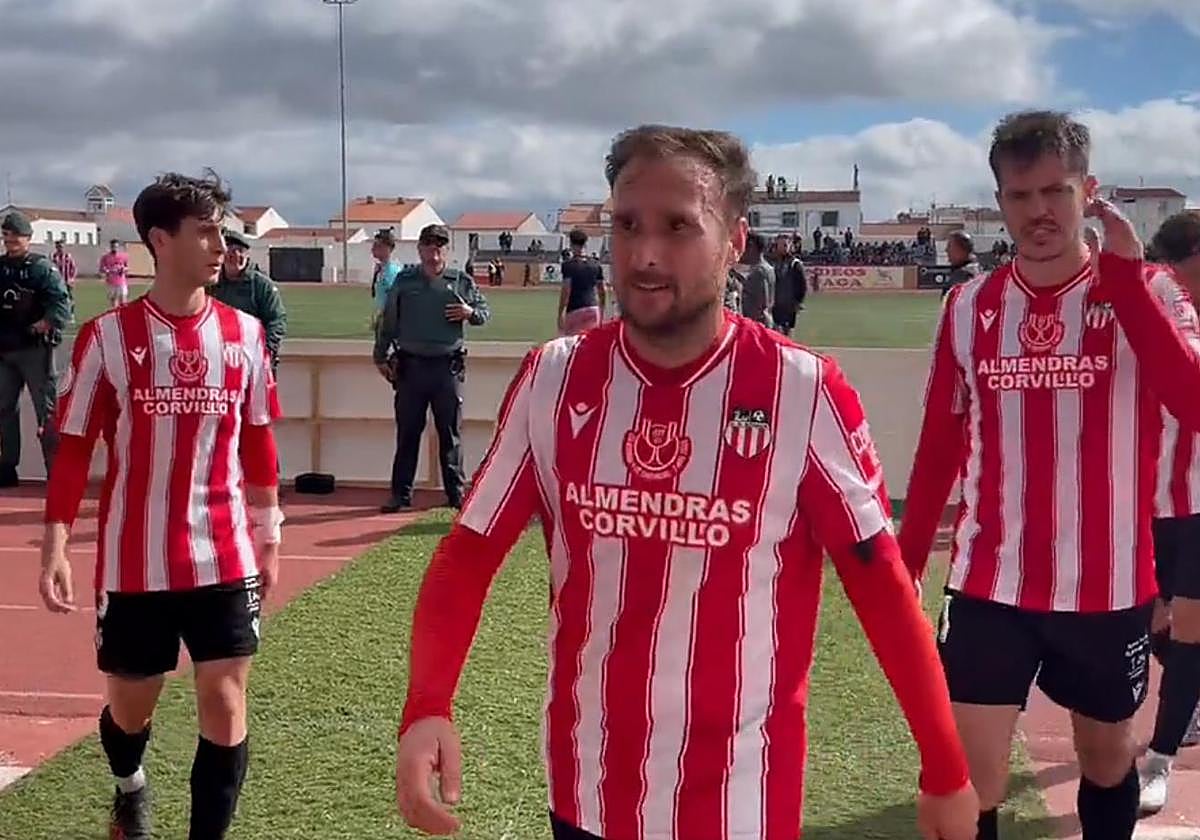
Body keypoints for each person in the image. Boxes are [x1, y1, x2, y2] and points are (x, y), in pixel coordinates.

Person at [393, 124, 979, 840]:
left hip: (741, 803)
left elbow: (880, 585)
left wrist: (945, 766)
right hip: (587, 791)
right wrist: (427, 704)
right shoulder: (555, 376)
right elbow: (469, 552)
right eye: (627, 224)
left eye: (679, 227)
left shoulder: (802, 389)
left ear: (733, 240)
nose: (644, 254)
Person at [899, 110, 1200, 840]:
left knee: (1105, 761)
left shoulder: (1149, 291)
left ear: (1088, 193)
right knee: (974, 779)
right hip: (989, 581)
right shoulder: (969, 305)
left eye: (1056, 192)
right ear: (1000, 202)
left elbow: (1193, 406)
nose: (1039, 211)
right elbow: (940, 441)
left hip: (1109, 585)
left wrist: (1125, 284)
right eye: (1021, 195)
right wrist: (905, 563)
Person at [38, 170, 283, 840]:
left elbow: (259, 441)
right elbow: (75, 447)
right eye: (204, 231)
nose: (220, 245)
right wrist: (55, 544)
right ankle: (129, 785)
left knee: (225, 701)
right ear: (159, 240)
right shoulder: (107, 338)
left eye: (222, 232)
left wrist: (270, 532)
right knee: (131, 709)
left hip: (225, 551)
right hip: (134, 560)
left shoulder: (246, 335)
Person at [1138, 211, 1200, 814]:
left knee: (1188, 626)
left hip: (1196, 504)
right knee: (1147, 622)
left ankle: (1159, 757)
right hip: (1146, 499)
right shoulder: (1162, 288)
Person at [374, 223, 490, 513]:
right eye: (428, 245)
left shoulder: (460, 281)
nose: (433, 251)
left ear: (446, 250)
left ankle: (455, 493)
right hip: (411, 366)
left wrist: (470, 313)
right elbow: (388, 321)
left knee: (450, 433)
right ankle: (400, 494)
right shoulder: (405, 280)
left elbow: (485, 314)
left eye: (439, 245)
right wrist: (379, 355)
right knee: (408, 433)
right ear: (420, 249)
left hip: (446, 368)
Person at [0, 211, 71, 488]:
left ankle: (55, 468)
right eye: (6, 235)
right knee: (4, 408)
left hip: (34, 350)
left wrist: (42, 324)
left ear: (28, 238)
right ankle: (7, 466)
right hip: (4, 351)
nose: (10, 240)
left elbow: (61, 307)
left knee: (47, 410)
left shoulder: (41, 268)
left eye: (16, 235)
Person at [208, 229, 287, 374]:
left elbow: (276, 320)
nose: (235, 256)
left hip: (253, 356)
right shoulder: (211, 284)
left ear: (247, 255)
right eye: (230, 251)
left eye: (240, 251)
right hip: (219, 357)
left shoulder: (260, 285)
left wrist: (266, 350)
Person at [557, 228, 607, 335]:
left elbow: (566, 290)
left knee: (572, 344)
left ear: (571, 244)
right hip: (593, 308)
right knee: (591, 343)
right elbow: (602, 290)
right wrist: (601, 309)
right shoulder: (596, 264)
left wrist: (560, 312)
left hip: (575, 309)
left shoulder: (568, 265)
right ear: (585, 244)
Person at [768, 233, 806, 335]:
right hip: (773, 303)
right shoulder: (771, 262)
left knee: (786, 332)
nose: (783, 248)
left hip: (788, 305)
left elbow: (802, 284)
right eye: (781, 245)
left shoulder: (795, 264)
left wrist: (799, 302)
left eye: (786, 245)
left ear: (790, 246)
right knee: (773, 331)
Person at [737, 230, 775, 326]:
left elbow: (760, 305)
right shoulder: (768, 268)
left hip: (757, 325)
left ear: (752, 247)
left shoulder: (759, 272)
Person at [370, 227, 402, 329]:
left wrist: (384, 316)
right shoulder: (381, 268)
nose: (373, 249)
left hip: (390, 321)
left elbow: (395, 299)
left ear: (388, 249)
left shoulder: (392, 271)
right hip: (383, 318)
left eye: (378, 246)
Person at [941, 230, 981, 299]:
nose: (946, 250)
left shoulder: (963, 275)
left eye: (950, 246)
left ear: (961, 249)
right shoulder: (976, 270)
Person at [100, 239, 131, 308]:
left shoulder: (123, 256)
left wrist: (123, 269)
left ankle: (124, 315)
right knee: (114, 301)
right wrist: (107, 270)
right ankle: (115, 316)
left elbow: (127, 267)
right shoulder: (105, 257)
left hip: (121, 282)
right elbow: (102, 269)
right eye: (113, 246)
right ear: (110, 247)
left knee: (123, 300)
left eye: (116, 246)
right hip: (111, 282)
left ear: (118, 247)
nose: (115, 248)